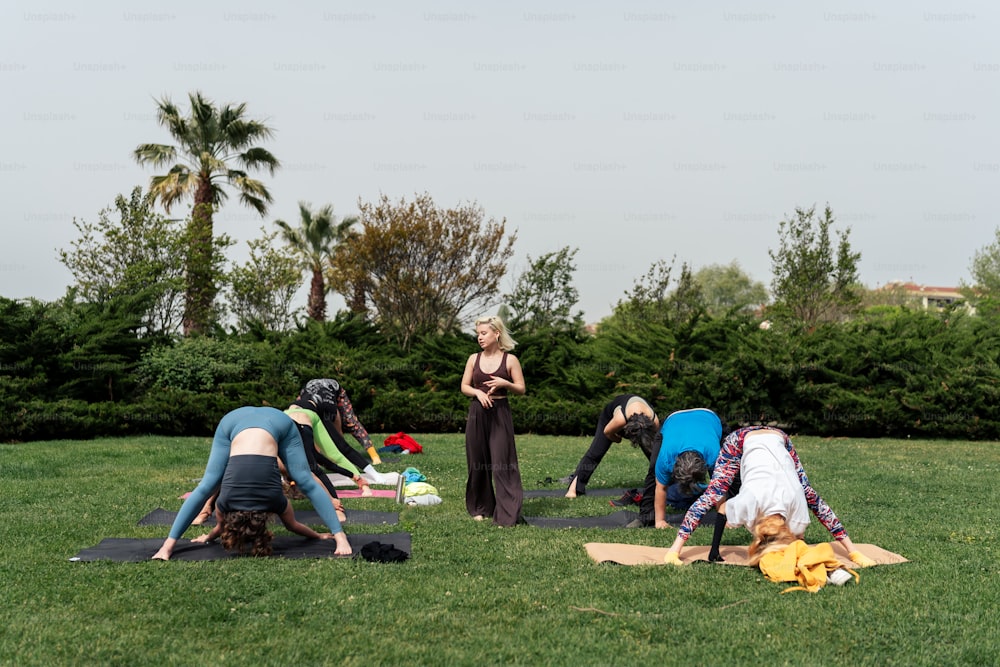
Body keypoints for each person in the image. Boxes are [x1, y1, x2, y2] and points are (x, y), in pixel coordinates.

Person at [152, 406, 352, 560]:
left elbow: (291, 525)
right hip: (248, 421)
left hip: (242, 420)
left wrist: (177, 545)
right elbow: (222, 525)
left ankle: (167, 546)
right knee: (303, 479)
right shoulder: (227, 503)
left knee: (207, 485)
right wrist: (206, 537)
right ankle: (167, 546)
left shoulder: (274, 501)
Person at [661, 426, 876, 568]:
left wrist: (853, 552)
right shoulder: (751, 498)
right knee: (715, 493)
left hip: (779, 438)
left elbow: (807, 528)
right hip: (740, 441)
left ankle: (854, 551)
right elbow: (718, 506)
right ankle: (677, 551)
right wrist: (677, 551)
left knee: (809, 493)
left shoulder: (797, 500)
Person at [461, 315, 526, 526]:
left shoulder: (510, 360)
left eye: (483, 333)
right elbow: (464, 386)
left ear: (496, 333)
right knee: (477, 462)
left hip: (500, 414)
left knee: (502, 463)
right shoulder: (473, 359)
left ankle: (507, 513)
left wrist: (504, 383)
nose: (479, 337)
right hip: (477, 413)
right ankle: (480, 507)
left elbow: (521, 389)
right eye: (478, 334)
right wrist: (478, 394)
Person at [621, 408, 722, 529]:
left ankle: (736, 513)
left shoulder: (714, 455)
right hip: (673, 420)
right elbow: (661, 487)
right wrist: (660, 521)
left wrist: (725, 519)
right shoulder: (666, 459)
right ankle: (646, 516)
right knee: (653, 471)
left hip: (709, 418)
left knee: (731, 473)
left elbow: (721, 486)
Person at [564, 395, 660, 498]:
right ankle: (573, 488)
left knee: (655, 455)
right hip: (610, 421)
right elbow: (607, 433)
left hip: (640, 424)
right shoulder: (620, 419)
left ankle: (669, 486)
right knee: (595, 453)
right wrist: (618, 439)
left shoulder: (654, 421)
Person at [298, 378, 383, 464]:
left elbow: (338, 433)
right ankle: (320, 459)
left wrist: (342, 449)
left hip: (333, 391)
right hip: (310, 391)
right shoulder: (301, 407)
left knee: (350, 422)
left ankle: (374, 456)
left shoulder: (330, 408)